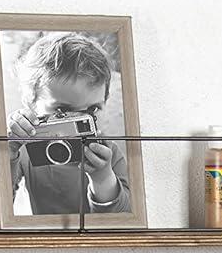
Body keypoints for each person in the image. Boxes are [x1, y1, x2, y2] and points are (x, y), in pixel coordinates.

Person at [7, 32, 131, 215]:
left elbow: (124, 222)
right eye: (61, 112)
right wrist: (8, 151)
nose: (77, 124)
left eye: (91, 111)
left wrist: (103, 178)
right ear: (31, 103)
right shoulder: (26, 150)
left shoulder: (107, 154)